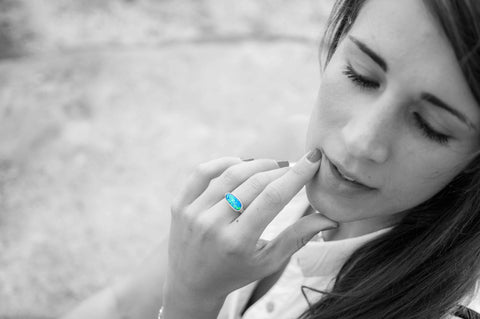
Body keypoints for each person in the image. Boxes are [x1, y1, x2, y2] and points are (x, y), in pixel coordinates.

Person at [61, 0, 480, 318]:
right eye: (360, 75)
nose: (358, 142)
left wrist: (193, 296)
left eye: (431, 125)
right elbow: (123, 302)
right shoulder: (283, 148)